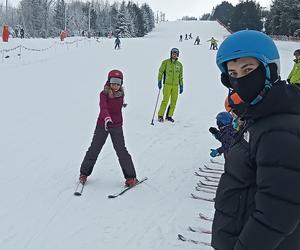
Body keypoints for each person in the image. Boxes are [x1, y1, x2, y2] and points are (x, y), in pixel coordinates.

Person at [211, 30, 300, 250]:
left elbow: (278, 212)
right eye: (232, 73)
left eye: (248, 69)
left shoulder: (279, 127)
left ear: (270, 70)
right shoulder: (258, 115)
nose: (240, 79)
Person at [79, 69, 138, 187]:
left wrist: (122, 104)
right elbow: (104, 107)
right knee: (94, 148)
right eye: (113, 82)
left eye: (118, 83)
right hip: (103, 124)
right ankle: (84, 173)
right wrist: (106, 118)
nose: (115, 85)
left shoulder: (121, 94)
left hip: (116, 126)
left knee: (121, 151)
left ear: (121, 83)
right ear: (108, 82)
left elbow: (116, 103)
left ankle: (131, 177)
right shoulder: (104, 94)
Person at [157, 48, 183, 122]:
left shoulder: (179, 65)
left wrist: (181, 85)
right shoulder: (166, 62)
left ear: (177, 55)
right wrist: (159, 80)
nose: (174, 55)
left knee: (174, 102)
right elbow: (160, 72)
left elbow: (181, 76)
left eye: (175, 54)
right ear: (171, 54)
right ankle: (160, 115)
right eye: (173, 53)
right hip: (167, 85)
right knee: (165, 100)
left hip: (175, 86)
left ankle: (169, 116)